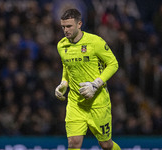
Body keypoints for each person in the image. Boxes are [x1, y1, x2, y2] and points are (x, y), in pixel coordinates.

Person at [55, 8, 121, 150]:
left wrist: (95, 84)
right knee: (73, 143)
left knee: (106, 144)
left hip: (98, 102)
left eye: (69, 26)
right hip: (75, 103)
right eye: (63, 27)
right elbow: (66, 65)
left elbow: (113, 64)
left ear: (79, 24)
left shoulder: (95, 42)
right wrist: (64, 82)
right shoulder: (61, 45)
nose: (65, 30)